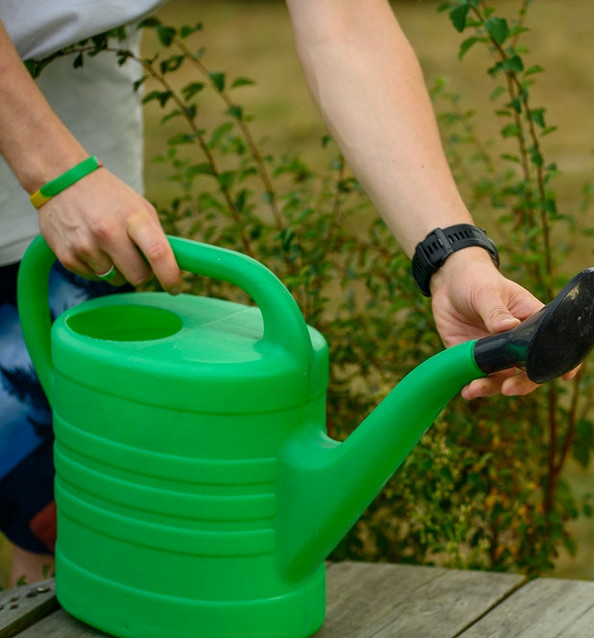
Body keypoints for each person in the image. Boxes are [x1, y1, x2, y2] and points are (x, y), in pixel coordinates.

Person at [0, 0, 562, 587]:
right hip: (60, 176)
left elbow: (347, 25)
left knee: (69, 527)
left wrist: (451, 254)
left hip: (88, 210)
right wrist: (54, 172)